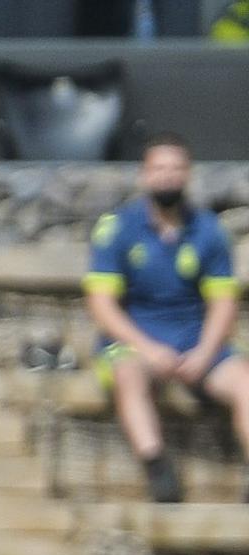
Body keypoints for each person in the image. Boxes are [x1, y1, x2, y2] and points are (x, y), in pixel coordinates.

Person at [84, 132, 249, 503]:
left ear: (188, 175)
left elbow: (224, 303)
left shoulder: (209, 230)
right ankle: (158, 469)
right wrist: (149, 349)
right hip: (135, 341)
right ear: (144, 175)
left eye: (176, 169)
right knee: (128, 374)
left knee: (246, 382)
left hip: (194, 341)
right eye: (159, 168)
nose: (168, 176)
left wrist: (206, 352)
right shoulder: (117, 228)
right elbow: (101, 304)